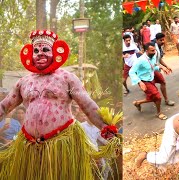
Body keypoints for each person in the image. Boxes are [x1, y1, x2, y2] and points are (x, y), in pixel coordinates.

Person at [0, 30, 118, 179]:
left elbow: (87, 105)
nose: (40, 54)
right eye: (36, 50)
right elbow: (4, 106)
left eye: (45, 50)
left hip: (62, 144)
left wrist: (105, 128)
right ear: (30, 54)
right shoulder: (24, 81)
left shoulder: (66, 77)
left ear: (55, 52)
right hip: (29, 147)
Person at [129, 42, 170, 120]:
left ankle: (137, 103)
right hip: (144, 80)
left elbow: (152, 66)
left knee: (157, 90)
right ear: (146, 51)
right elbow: (131, 72)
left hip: (151, 76)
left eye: (154, 50)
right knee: (157, 97)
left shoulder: (153, 56)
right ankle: (159, 113)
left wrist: (161, 68)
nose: (154, 52)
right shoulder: (140, 60)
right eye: (152, 51)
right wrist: (139, 82)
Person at [154, 33, 175, 106]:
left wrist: (166, 66)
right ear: (156, 40)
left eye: (163, 40)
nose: (163, 41)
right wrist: (162, 67)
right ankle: (138, 103)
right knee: (152, 92)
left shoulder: (160, 47)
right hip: (149, 71)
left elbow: (159, 59)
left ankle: (166, 100)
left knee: (162, 83)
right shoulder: (153, 49)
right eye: (161, 40)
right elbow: (152, 62)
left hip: (156, 70)